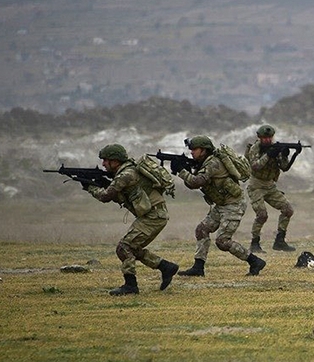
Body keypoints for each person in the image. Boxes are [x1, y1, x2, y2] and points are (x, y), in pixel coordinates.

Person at [87, 144, 179, 296]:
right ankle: (166, 267)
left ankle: (131, 286)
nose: (103, 164)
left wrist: (90, 187)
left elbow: (105, 196)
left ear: (115, 161)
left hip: (153, 217)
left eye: (106, 160)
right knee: (132, 248)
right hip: (154, 215)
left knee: (124, 247)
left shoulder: (125, 175)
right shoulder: (127, 170)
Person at [173, 136, 266, 277]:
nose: (191, 152)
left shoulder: (213, 163)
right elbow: (193, 184)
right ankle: (198, 268)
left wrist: (182, 171)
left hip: (234, 205)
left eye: (194, 149)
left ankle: (255, 261)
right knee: (202, 230)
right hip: (222, 204)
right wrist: (186, 170)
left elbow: (197, 181)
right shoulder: (204, 163)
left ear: (203, 150)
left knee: (222, 241)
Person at [245, 124, 298, 253]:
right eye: (264, 138)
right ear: (259, 137)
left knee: (288, 210)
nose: (267, 140)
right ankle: (254, 243)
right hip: (256, 185)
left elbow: (284, 167)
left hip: (270, 185)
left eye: (269, 138)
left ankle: (280, 241)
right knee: (262, 215)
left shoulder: (275, 148)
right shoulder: (254, 149)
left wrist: (288, 155)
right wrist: (269, 155)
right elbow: (255, 166)